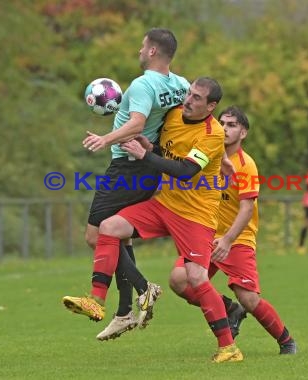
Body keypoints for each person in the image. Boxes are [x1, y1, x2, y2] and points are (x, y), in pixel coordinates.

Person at [66, 77, 244, 363]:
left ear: (211, 106)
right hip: (164, 205)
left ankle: (228, 347)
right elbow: (167, 152)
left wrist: (145, 156)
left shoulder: (212, 134)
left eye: (197, 98)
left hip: (195, 215)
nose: (188, 99)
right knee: (109, 227)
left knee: (196, 278)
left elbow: (185, 170)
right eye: (189, 93)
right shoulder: (174, 115)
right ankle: (96, 300)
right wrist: (150, 147)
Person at [62, 28, 190, 339]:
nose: (139, 50)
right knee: (119, 234)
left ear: (153, 52)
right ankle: (123, 312)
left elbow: (137, 123)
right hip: (148, 168)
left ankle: (145, 289)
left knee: (95, 236)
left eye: (142, 46)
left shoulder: (144, 84)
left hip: (127, 169)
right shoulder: (181, 85)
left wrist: (105, 138)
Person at [169, 105, 297, 355]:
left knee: (249, 299)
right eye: (222, 123)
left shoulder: (246, 165)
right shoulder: (206, 156)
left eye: (232, 125)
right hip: (206, 235)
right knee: (178, 280)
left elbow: (247, 209)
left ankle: (286, 340)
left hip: (237, 239)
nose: (225, 129)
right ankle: (229, 309)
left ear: (243, 133)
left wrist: (227, 240)